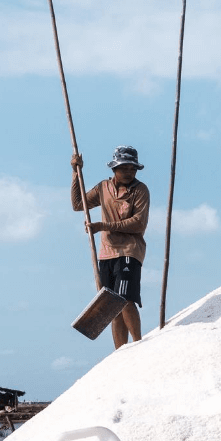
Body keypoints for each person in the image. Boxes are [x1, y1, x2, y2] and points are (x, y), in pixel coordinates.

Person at [71, 145, 150, 349]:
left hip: (129, 251)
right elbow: (78, 205)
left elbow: (138, 223)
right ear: (114, 169)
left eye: (132, 169)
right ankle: (121, 352)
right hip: (107, 253)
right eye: (124, 168)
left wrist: (103, 226)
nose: (129, 172)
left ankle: (139, 344)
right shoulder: (103, 188)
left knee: (125, 298)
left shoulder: (139, 190)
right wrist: (75, 172)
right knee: (111, 305)